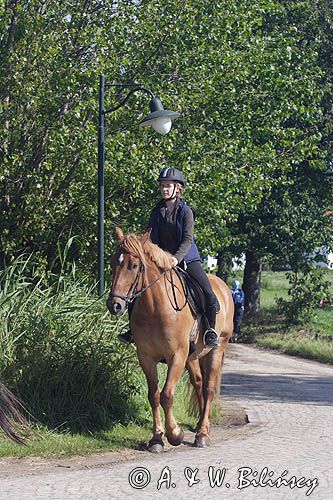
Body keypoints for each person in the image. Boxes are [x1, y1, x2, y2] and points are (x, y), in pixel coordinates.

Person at [118, 167, 220, 348]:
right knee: (136, 290)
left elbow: (187, 239)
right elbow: (150, 238)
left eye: (168, 186)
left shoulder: (186, 212)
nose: (164, 189)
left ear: (178, 189)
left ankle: (209, 331)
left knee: (208, 293)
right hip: (160, 259)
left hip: (187, 258)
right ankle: (132, 330)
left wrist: (176, 258)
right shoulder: (156, 211)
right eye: (162, 186)